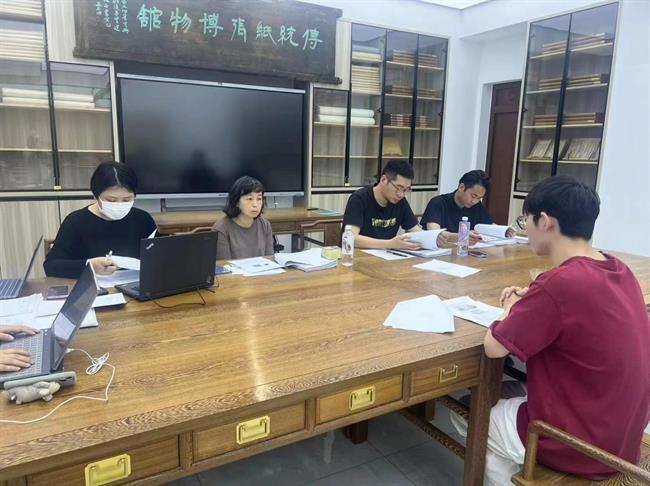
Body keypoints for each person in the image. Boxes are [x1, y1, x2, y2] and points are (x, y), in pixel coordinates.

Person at [451, 176, 650, 485]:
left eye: (525, 221)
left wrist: (510, 308)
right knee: (509, 389)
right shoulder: (618, 269)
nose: (525, 229)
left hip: (578, 445)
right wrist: (533, 298)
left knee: (469, 412)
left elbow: (494, 347)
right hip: (623, 437)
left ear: (544, 222)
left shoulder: (560, 283)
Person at [44, 161, 157, 278]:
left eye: (127, 199)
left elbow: (159, 257)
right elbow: (51, 266)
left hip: (136, 286)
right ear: (96, 196)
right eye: (111, 200)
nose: (119, 204)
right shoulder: (76, 221)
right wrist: (90, 265)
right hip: (95, 287)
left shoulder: (143, 219)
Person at [342, 159, 422, 250]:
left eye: (406, 190)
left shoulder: (401, 202)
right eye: (399, 188)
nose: (401, 194)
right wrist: (390, 244)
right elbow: (352, 238)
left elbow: (416, 230)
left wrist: (432, 238)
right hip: (360, 256)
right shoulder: (359, 199)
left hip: (387, 255)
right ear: (384, 180)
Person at [420, 170, 512, 246]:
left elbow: (490, 225)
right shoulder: (438, 203)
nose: (475, 201)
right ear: (461, 187)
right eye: (473, 196)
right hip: (439, 253)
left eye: (479, 198)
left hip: (465, 254)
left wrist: (505, 231)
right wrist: (462, 236)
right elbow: (435, 234)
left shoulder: (476, 205)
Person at [212, 176, 273, 260]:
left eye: (259, 198)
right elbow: (224, 265)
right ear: (236, 202)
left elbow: (270, 259)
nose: (255, 204)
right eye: (249, 199)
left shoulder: (265, 225)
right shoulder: (221, 228)